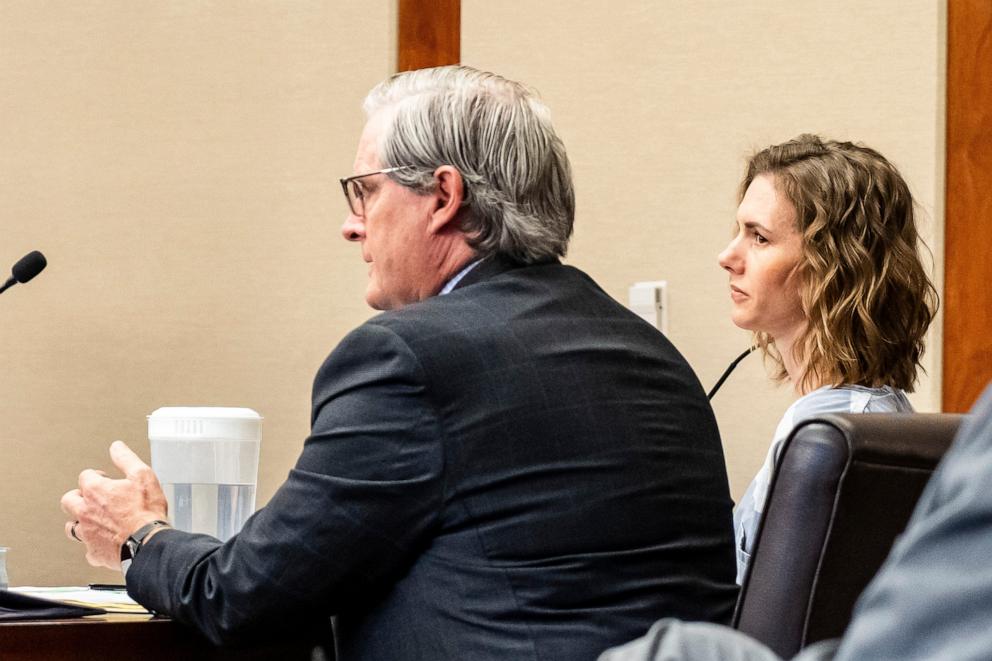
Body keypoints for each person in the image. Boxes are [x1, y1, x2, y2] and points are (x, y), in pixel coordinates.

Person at [60, 66, 739, 659]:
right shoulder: (655, 356)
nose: (352, 224)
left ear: (444, 197)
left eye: (366, 192)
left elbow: (246, 593)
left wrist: (138, 536)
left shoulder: (408, 356)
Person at [598, 381, 992, 661]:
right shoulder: (881, 407)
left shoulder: (826, 420)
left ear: (831, 279)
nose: (728, 259)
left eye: (761, 255)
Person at [717, 134, 937, 581]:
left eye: (759, 238)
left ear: (833, 267)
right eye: (738, 231)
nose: (728, 257)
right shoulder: (867, 415)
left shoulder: (830, 434)